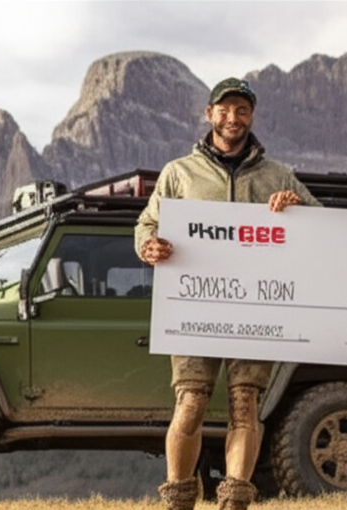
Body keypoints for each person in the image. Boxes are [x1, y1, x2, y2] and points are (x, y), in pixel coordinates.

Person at [135, 78, 320, 510]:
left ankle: (235, 498)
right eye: (224, 109)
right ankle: (179, 497)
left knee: (245, 403)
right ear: (209, 114)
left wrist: (296, 208)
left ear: (251, 116)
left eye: (241, 110)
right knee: (192, 400)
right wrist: (149, 246)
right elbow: (147, 224)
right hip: (195, 305)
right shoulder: (179, 173)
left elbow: (320, 223)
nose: (232, 118)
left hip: (255, 309)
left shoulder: (278, 175)